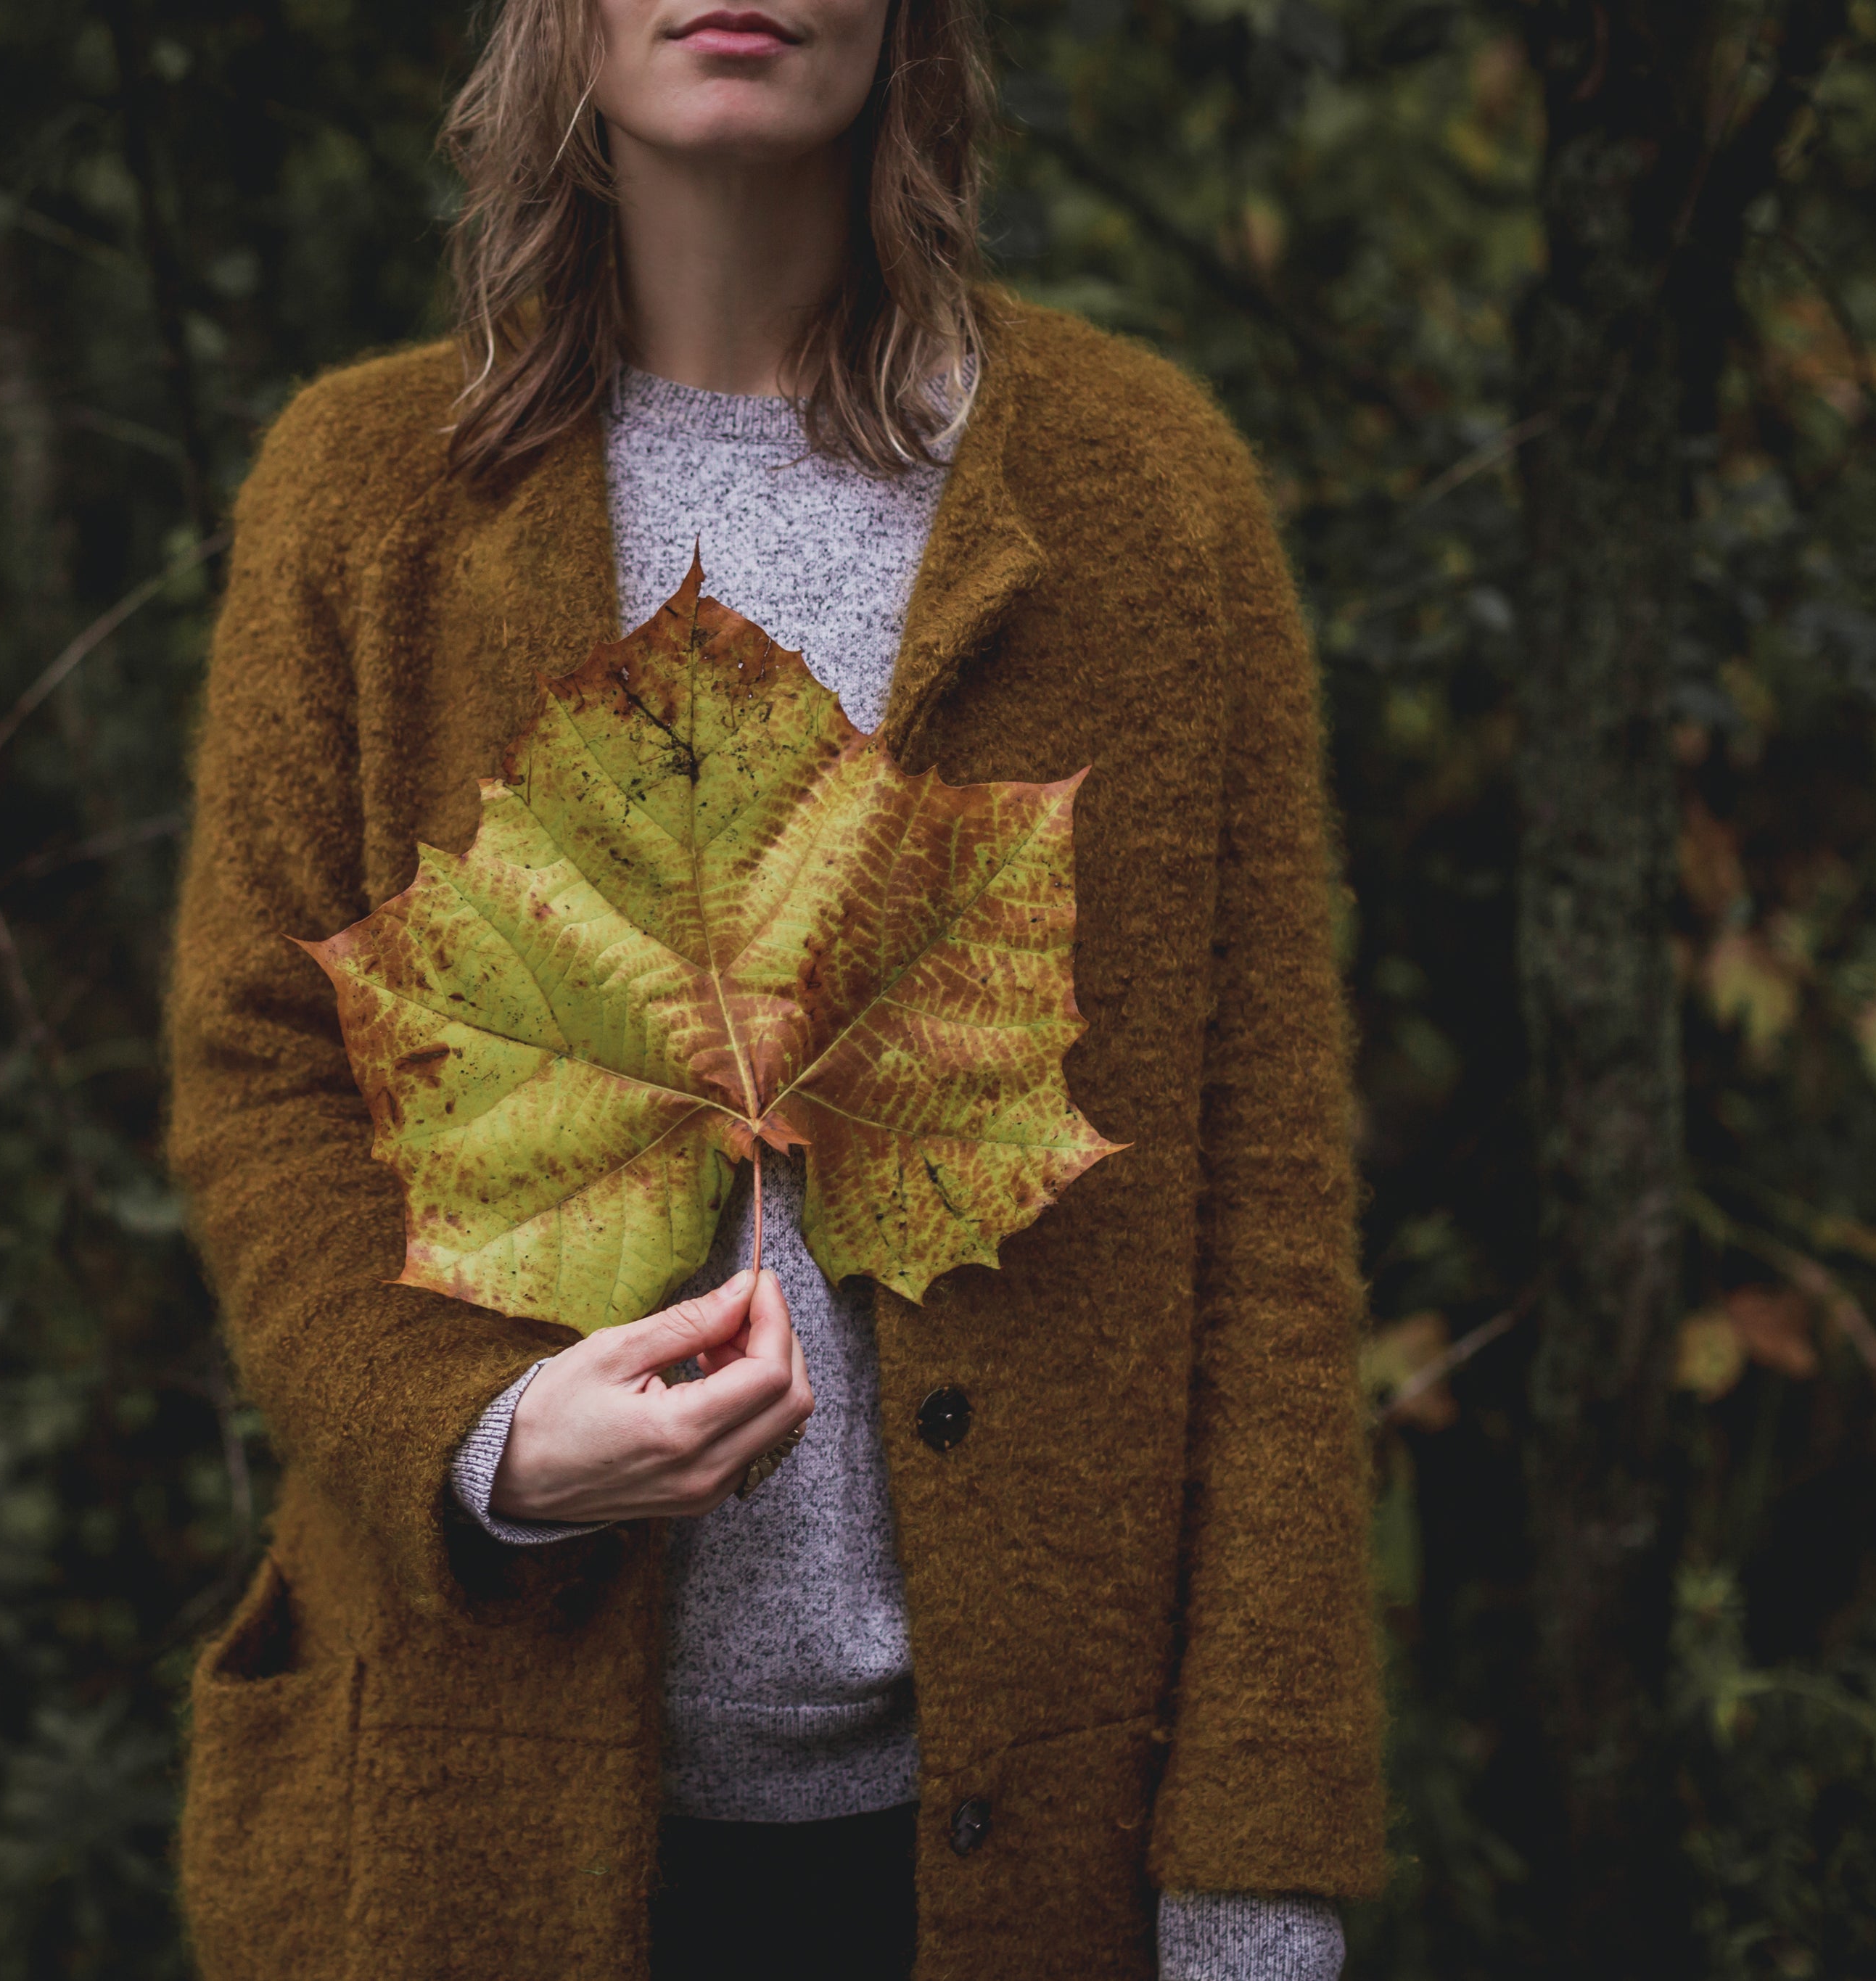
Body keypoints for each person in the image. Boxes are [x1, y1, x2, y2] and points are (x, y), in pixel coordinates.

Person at [160, 2, 1385, 1975]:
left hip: (1010, 1851)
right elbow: (257, 1080)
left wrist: (1254, 1865)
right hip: (486, 1808)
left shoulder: (1145, 504)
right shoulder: (364, 495)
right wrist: (479, 1441)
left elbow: (1262, 1222)